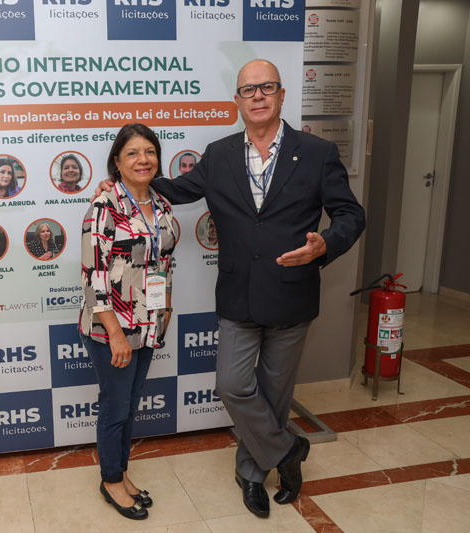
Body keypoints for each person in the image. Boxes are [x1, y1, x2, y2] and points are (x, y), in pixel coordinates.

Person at [94, 59, 365, 519]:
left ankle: (252, 474)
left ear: (281, 95)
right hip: (238, 295)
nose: (258, 96)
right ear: (237, 101)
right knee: (233, 385)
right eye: (248, 90)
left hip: (293, 294)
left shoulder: (316, 153)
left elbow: (351, 215)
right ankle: (288, 449)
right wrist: (126, 181)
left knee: (275, 394)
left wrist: (325, 245)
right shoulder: (219, 154)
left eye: (267, 88)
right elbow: (176, 189)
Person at [80, 123, 175, 521]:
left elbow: (163, 262)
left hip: (149, 324)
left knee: (130, 406)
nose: (143, 159)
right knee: (115, 407)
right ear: (117, 162)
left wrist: (165, 309)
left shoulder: (162, 205)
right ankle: (111, 480)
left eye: (149, 151)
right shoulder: (105, 206)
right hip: (112, 328)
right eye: (132, 153)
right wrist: (116, 333)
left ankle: (120, 472)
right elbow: (93, 277)